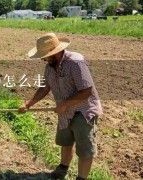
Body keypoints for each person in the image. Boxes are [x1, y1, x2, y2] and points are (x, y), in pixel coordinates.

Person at [19, 33, 103, 180]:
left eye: (45, 55)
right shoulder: (50, 66)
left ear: (55, 52)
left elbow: (87, 90)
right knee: (66, 142)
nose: (43, 58)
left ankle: (81, 178)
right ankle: (62, 170)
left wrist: (65, 104)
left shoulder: (76, 62)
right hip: (65, 112)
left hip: (83, 112)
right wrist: (28, 103)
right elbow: (45, 88)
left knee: (85, 150)